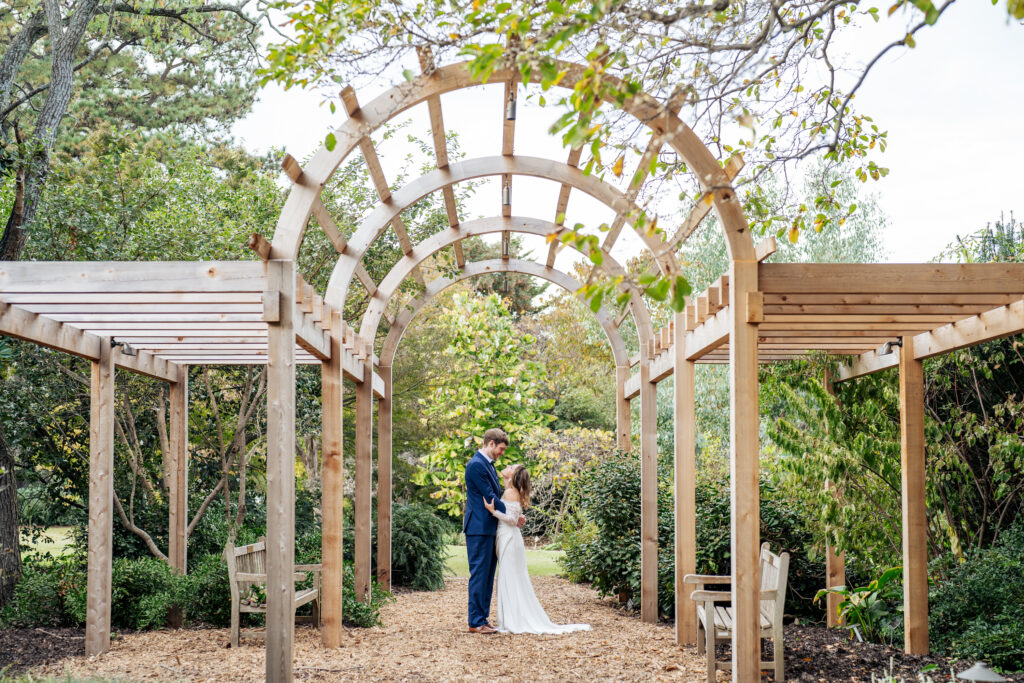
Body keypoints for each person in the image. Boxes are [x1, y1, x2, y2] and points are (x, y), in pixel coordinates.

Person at [483, 464, 591, 635]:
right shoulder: (512, 490)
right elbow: (513, 511)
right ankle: (511, 618)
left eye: (512, 466)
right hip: (508, 536)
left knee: (510, 576)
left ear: (514, 475)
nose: (508, 465)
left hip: (509, 537)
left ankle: (514, 620)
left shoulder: (511, 493)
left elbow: (511, 519)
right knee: (509, 576)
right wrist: (506, 478)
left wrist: (492, 511)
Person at [463, 428, 524, 634]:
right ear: (490, 444)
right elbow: (490, 497)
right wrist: (514, 514)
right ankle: (475, 621)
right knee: (480, 574)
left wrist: (515, 514)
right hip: (479, 528)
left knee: (488, 575)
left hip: (490, 527)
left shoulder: (487, 465)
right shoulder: (476, 466)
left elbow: (498, 496)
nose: (502, 453)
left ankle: (483, 617)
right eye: (501, 448)